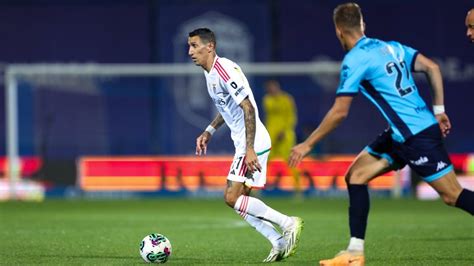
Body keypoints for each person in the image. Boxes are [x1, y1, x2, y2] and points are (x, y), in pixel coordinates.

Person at [288, 3, 474, 266]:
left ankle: (354, 252)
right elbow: (432, 67)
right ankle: (354, 253)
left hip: (418, 135)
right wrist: (440, 110)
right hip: (401, 133)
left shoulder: (354, 59)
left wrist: (307, 144)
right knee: (356, 175)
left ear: (339, 31)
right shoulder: (391, 47)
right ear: (362, 25)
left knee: (452, 195)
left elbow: (340, 113)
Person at [188, 28, 303, 263]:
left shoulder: (224, 70)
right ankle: (278, 242)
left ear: (209, 46)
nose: (190, 51)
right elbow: (227, 108)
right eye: (189, 46)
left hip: (251, 142)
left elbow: (248, 107)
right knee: (242, 202)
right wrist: (209, 130)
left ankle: (288, 223)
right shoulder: (209, 73)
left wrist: (249, 149)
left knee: (231, 197)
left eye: (194, 45)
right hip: (246, 142)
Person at [262, 80, 301, 194]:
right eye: (269, 88)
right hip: (271, 135)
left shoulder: (287, 99)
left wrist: (284, 130)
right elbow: (272, 110)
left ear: (277, 86)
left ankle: (298, 190)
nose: (272, 89)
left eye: (273, 87)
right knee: (263, 161)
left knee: (291, 161)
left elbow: (291, 117)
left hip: (286, 135)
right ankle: (256, 189)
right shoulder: (267, 100)